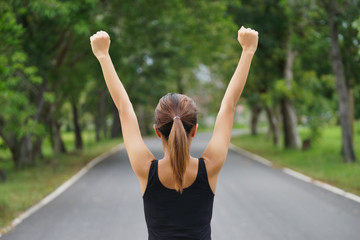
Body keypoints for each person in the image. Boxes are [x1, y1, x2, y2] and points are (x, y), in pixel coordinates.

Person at [90, 26, 258, 240]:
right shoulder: (210, 167)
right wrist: (248, 50)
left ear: (157, 132)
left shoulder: (146, 170)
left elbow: (124, 108)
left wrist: (103, 55)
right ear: (195, 130)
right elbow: (229, 105)